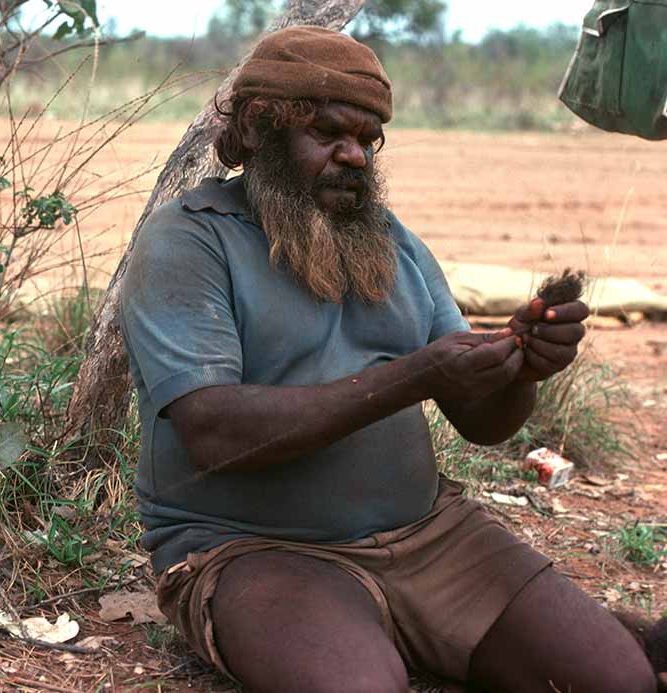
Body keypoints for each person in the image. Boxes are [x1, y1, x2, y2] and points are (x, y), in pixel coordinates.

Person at [119, 27, 657, 693]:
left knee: (620, 681)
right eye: (329, 134)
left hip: (432, 536)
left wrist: (522, 368)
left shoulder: (392, 244)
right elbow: (213, 431)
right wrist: (418, 374)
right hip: (252, 547)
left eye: (368, 140)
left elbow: (483, 422)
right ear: (260, 129)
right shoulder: (189, 240)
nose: (354, 156)